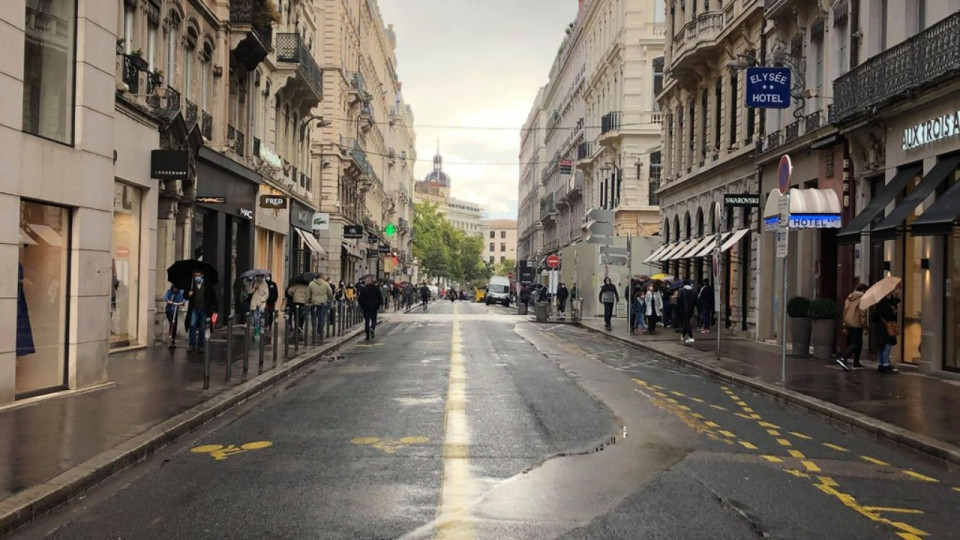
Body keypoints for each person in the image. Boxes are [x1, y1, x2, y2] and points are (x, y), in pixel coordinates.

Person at [837, 283, 869, 370]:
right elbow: (863, 313)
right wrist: (865, 326)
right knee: (857, 343)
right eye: (866, 290)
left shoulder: (849, 298)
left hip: (848, 322)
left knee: (856, 343)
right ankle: (843, 358)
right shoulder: (862, 298)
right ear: (863, 290)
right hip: (856, 323)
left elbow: (845, 311)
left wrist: (844, 323)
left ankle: (856, 362)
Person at [185, 270, 218, 353]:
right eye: (195, 276)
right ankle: (191, 345)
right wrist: (188, 294)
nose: (197, 277)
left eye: (198, 275)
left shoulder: (208, 284)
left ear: (202, 275)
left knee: (202, 327)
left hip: (204, 309)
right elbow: (185, 295)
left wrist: (215, 309)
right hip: (194, 309)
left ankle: (200, 346)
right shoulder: (191, 284)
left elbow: (213, 297)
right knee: (192, 326)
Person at [873, 289, 900, 374]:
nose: (892, 292)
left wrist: (896, 298)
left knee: (882, 346)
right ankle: (885, 365)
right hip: (884, 327)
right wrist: (894, 311)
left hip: (881, 327)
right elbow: (889, 314)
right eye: (890, 291)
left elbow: (893, 303)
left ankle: (881, 364)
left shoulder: (883, 301)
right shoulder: (882, 303)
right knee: (886, 346)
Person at [308, 274, 333, 341]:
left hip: (314, 302)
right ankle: (320, 330)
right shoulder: (326, 284)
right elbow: (330, 293)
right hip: (323, 302)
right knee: (322, 317)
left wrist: (308, 300)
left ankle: (314, 329)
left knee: (313, 316)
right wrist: (329, 299)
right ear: (322, 277)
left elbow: (308, 293)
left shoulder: (311, 284)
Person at [358, 275, 382, 340]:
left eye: (365, 281)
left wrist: (362, 306)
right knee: (374, 320)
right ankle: (372, 328)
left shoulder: (363, 289)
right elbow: (380, 298)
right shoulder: (376, 289)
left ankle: (367, 336)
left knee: (367, 321)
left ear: (368, 281)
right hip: (374, 308)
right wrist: (377, 306)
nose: (365, 282)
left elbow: (360, 299)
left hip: (366, 308)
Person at [678, 279, 698, 344]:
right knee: (687, 322)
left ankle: (691, 337)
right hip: (691, 309)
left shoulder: (681, 290)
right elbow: (696, 300)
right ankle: (683, 334)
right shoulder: (693, 291)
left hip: (683, 309)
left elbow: (678, 300)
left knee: (687, 323)